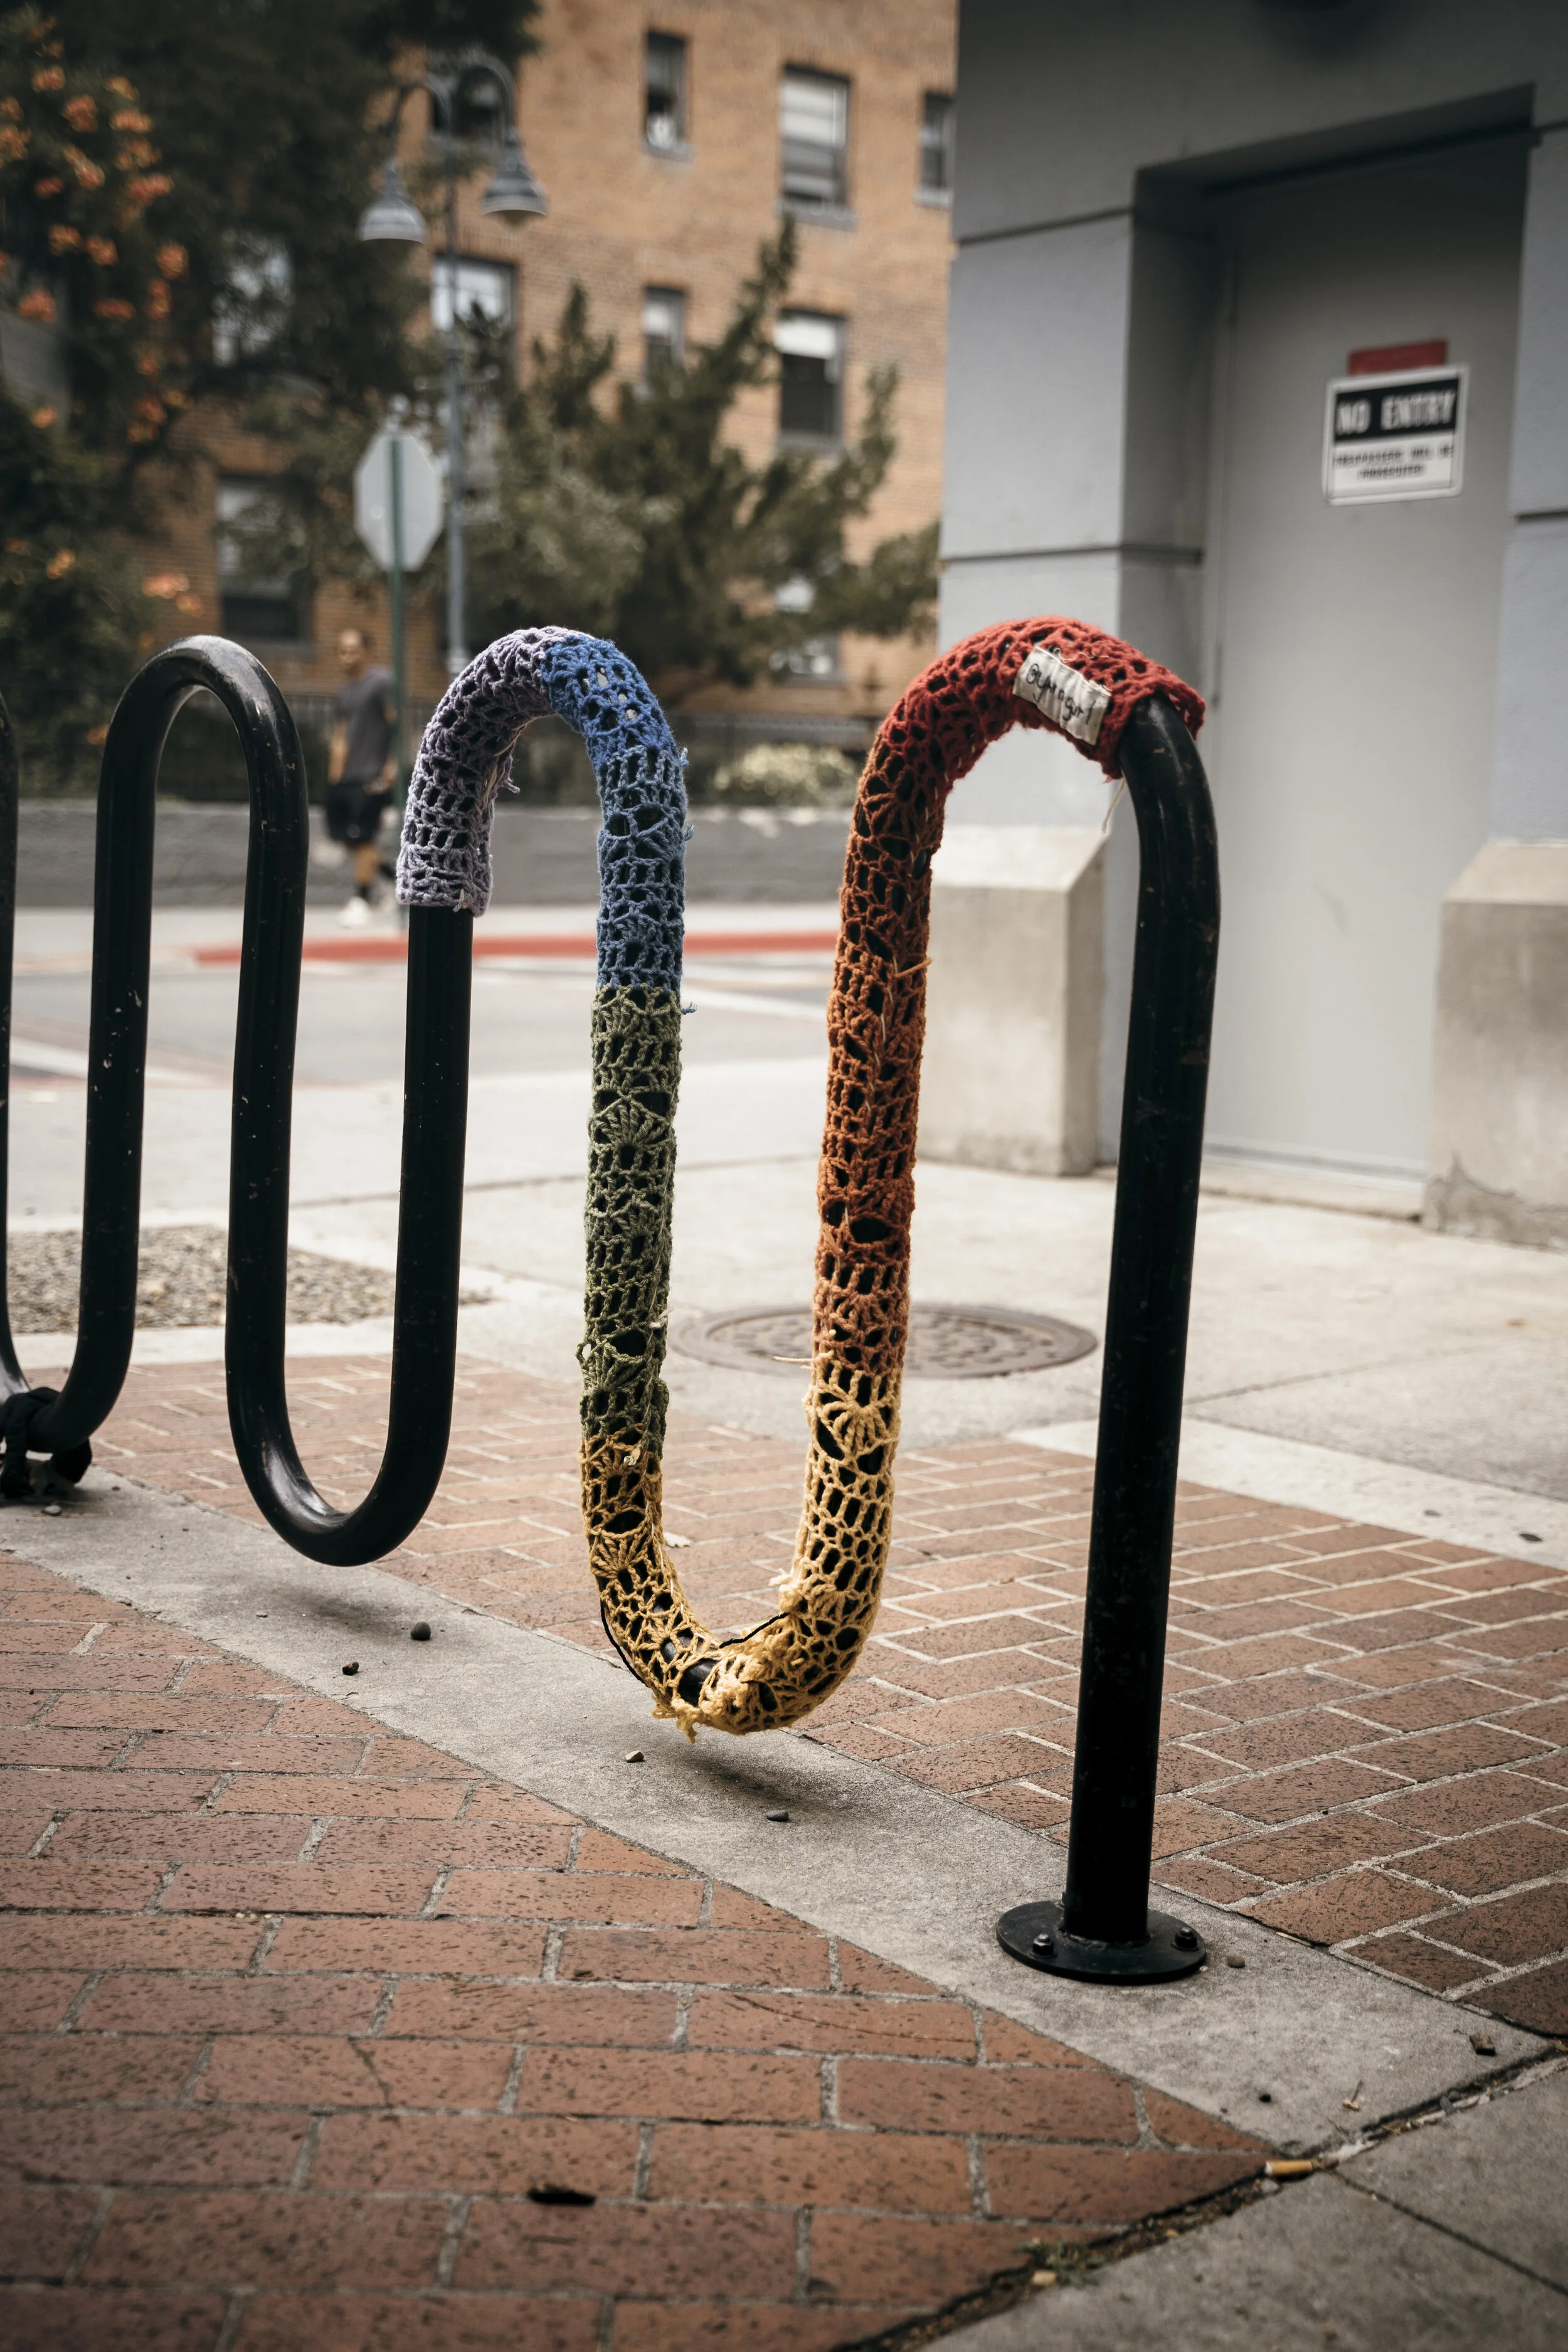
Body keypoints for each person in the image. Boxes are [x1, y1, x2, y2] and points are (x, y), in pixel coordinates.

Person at [326, 625, 398, 928]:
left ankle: (362, 900)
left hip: (373, 776)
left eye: (352, 650)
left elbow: (396, 722)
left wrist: (392, 766)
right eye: (342, 651)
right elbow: (341, 735)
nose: (346, 657)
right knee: (348, 839)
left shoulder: (382, 682)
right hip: (347, 779)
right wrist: (334, 777)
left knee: (364, 837)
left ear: (367, 651)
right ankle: (399, 883)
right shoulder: (345, 692)